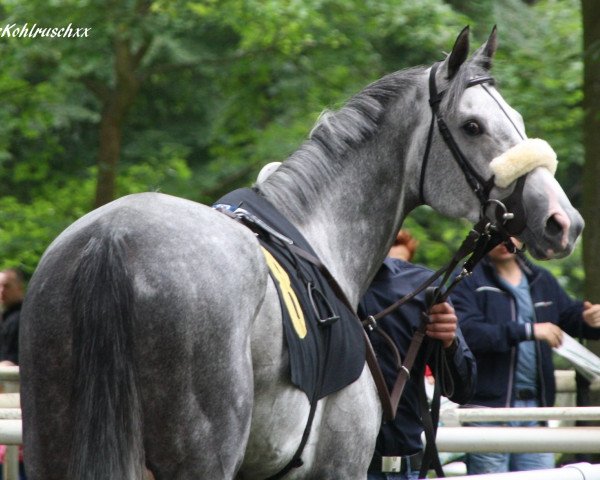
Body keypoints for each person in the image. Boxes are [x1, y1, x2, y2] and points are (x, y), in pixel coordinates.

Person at [451, 240, 600, 474]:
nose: (505, 240)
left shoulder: (542, 279)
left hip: (537, 411)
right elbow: (467, 333)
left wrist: (590, 320)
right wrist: (528, 330)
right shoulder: (467, 279)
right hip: (488, 411)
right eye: (497, 233)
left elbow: (570, 317)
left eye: (512, 233)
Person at [359, 230, 476, 480]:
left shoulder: (422, 286)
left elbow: (463, 389)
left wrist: (450, 342)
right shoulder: (306, 283)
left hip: (405, 467)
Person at [0, 268, 25, 366]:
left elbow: (11, 362)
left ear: (19, 288)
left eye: (7, 286)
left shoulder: (21, 318)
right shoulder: (6, 317)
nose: (2, 291)